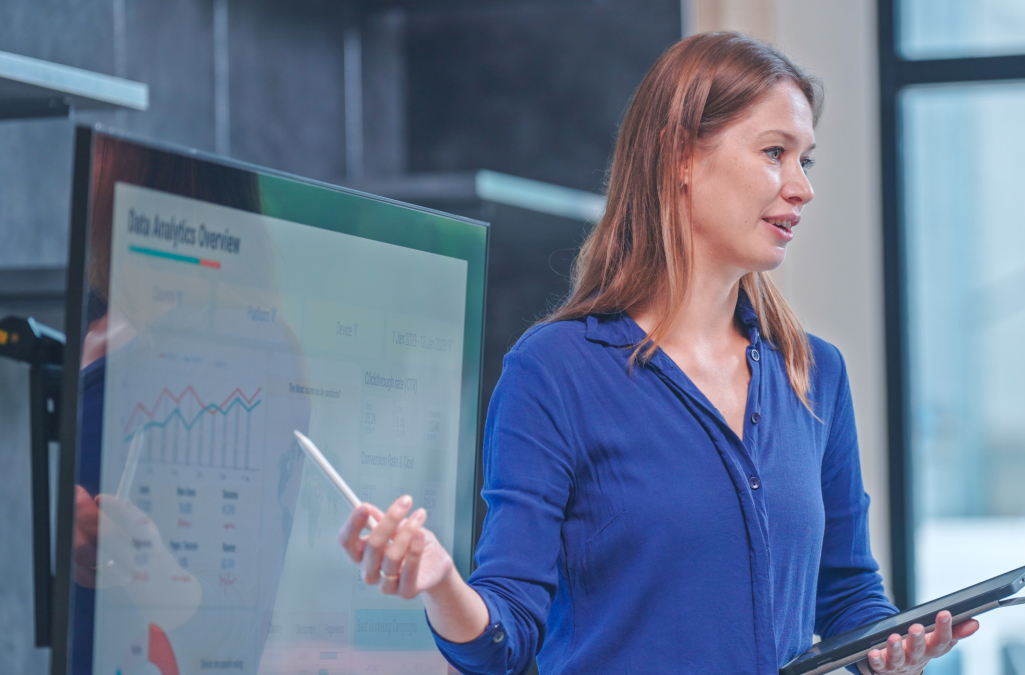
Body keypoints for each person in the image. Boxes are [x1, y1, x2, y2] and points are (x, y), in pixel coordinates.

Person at [337, 32, 978, 675]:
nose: (801, 187)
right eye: (775, 153)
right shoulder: (555, 370)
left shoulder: (814, 373)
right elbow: (504, 638)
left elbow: (846, 593)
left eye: (804, 161)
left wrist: (890, 650)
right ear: (681, 157)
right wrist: (442, 581)